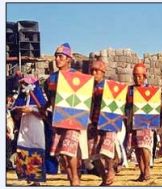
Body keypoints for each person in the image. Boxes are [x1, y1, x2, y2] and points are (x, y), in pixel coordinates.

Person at [44, 43, 81, 186]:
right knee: (62, 154)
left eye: (61, 56)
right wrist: (44, 107)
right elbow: (50, 98)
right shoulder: (51, 79)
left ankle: (76, 177)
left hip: (73, 119)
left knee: (68, 150)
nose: (57, 59)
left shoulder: (77, 77)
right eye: (56, 56)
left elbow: (83, 97)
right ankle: (72, 178)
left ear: (68, 59)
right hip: (57, 119)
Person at [87, 60, 117, 186]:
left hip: (107, 122)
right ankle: (104, 178)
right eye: (92, 70)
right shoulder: (87, 87)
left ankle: (111, 170)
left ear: (103, 73)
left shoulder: (109, 86)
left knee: (106, 150)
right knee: (92, 153)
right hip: (93, 123)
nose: (94, 73)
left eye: (97, 70)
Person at [13, 75, 47, 186]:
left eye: (26, 84)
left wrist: (31, 110)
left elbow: (44, 115)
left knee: (36, 150)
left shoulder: (39, 98)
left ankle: (36, 181)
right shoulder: (21, 97)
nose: (24, 86)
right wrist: (19, 111)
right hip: (24, 128)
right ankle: (27, 177)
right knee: (23, 149)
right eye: (23, 84)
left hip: (36, 127)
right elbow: (16, 115)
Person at [124, 63, 153, 181]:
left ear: (145, 76)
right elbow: (125, 104)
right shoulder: (129, 89)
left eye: (140, 76)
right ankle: (141, 173)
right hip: (132, 122)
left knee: (144, 146)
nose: (137, 78)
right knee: (137, 148)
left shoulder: (150, 89)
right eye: (135, 76)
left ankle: (147, 169)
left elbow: (157, 105)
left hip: (145, 122)